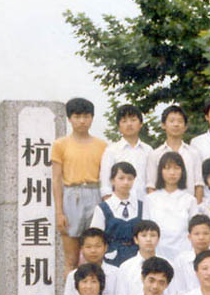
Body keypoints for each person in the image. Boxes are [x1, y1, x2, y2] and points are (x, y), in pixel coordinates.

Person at [51, 97, 108, 272]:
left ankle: (97, 289)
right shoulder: (60, 144)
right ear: (69, 118)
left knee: (96, 255)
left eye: (86, 116)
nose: (82, 121)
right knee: (71, 259)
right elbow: (56, 179)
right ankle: (70, 291)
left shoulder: (102, 145)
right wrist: (59, 212)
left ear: (92, 118)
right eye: (77, 116)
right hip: (71, 196)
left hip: (95, 194)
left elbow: (107, 177)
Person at [144, 151, 199, 258]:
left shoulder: (190, 200)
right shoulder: (150, 199)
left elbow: (194, 230)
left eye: (176, 168)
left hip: (183, 253)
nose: (172, 173)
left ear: (182, 171)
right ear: (160, 171)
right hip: (157, 254)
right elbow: (146, 231)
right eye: (167, 168)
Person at [146, 105, 204, 202]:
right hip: (162, 206)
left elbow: (198, 185)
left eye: (180, 121)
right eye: (172, 121)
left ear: (185, 127)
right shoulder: (155, 154)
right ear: (163, 125)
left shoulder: (193, 153)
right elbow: (151, 186)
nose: (176, 124)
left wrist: (196, 208)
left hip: (188, 205)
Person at [90, 161, 143, 266]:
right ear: (112, 180)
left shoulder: (142, 206)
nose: (126, 182)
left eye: (130, 178)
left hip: (137, 258)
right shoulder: (102, 208)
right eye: (121, 178)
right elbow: (95, 238)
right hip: (111, 259)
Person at [61, 228, 120, 295]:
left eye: (98, 246)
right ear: (81, 249)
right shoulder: (73, 276)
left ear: (106, 247)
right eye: (88, 247)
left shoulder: (116, 273)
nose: (93, 250)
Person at [170, 214, 210, 295]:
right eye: (196, 234)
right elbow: (179, 291)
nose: (201, 237)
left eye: (205, 233)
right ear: (189, 237)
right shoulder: (181, 260)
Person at [99, 104, 152, 202]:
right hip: (119, 205)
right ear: (119, 127)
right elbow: (106, 184)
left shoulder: (148, 150)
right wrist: (111, 206)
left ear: (141, 124)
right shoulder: (111, 151)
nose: (129, 124)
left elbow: (151, 182)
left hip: (144, 204)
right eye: (124, 121)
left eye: (133, 120)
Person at [116, 220, 166, 295]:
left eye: (153, 235)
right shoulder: (126, 267)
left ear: (158, 239)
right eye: (144, 235)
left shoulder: (167, 265)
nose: (148, 239)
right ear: (136, 239)